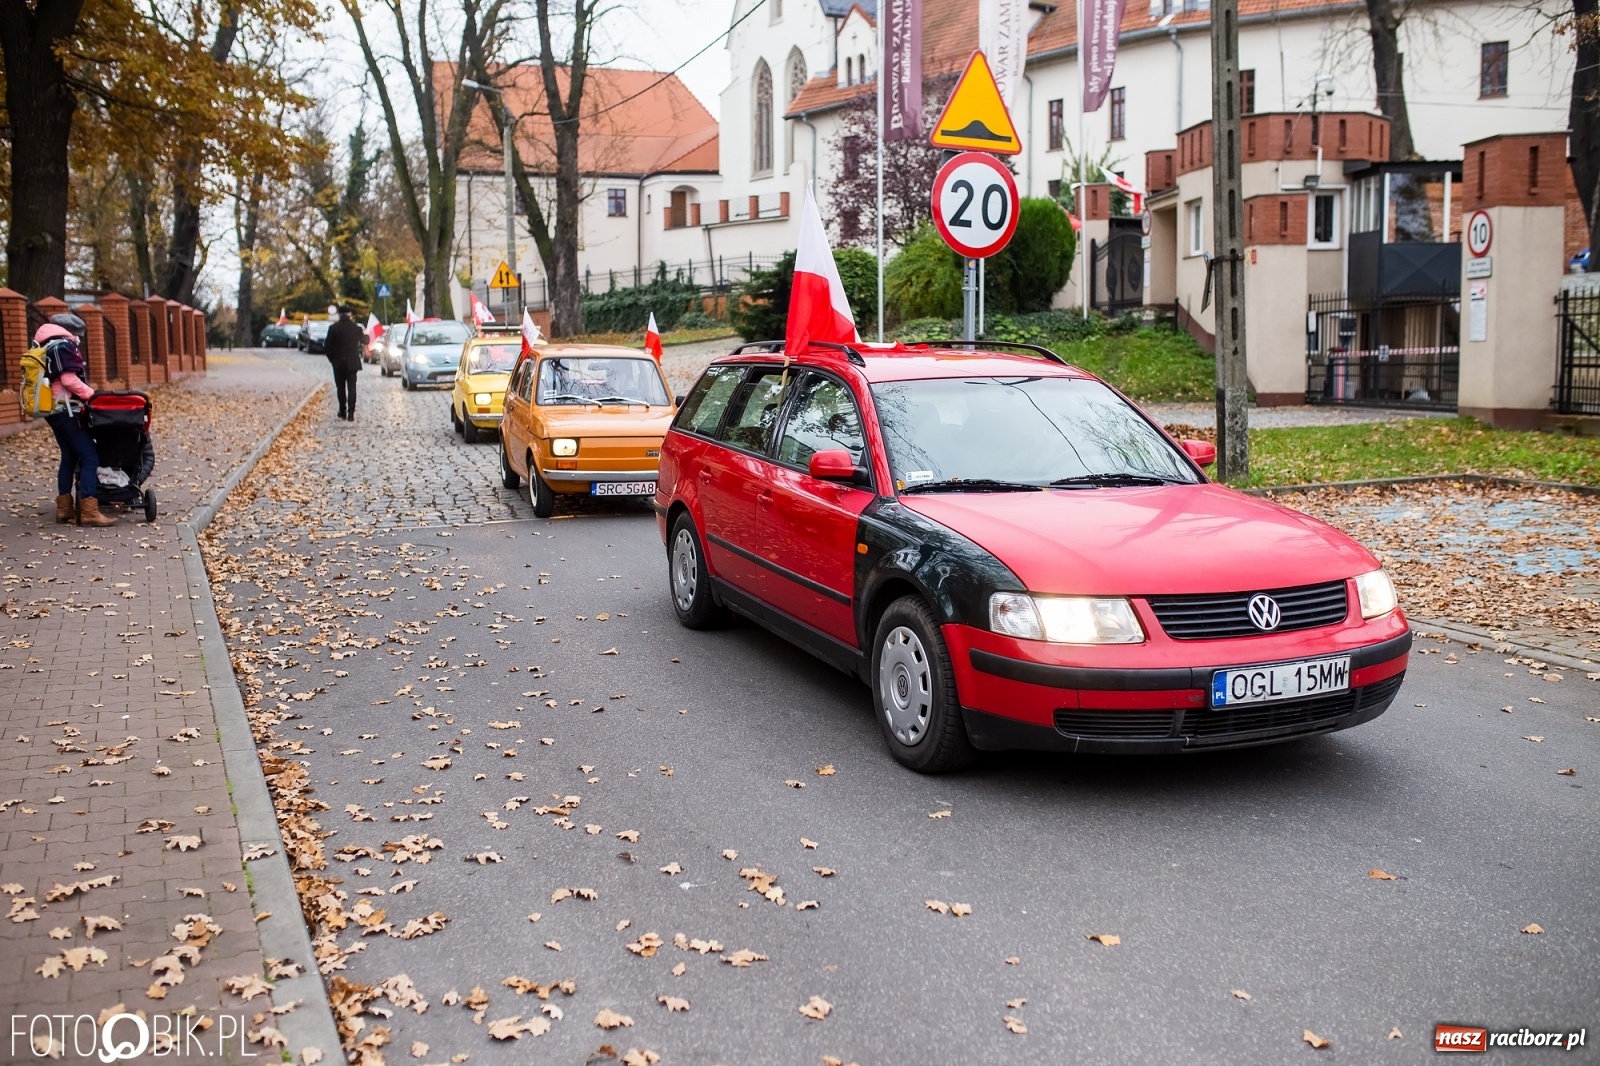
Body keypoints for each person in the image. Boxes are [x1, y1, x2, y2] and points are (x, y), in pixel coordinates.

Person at [38, 314, 116, 526]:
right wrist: (91, 394)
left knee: (69, 455)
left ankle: (64, 510)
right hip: (65, 410)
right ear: (71, 332)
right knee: (90, 456)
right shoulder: (64, 345)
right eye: (78, 336)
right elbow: (68, 379)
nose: (79, 340)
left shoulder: (46, 344)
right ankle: (89, 511)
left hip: (53, 409)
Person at [324, 305, 366, 421]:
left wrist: (333, 360)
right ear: (350, 314)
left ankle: (342, 411)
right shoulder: (356, 328)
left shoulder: (333, 328)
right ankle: (351, 413)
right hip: (352, 362)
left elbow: (327, 347)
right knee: (352, 387)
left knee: (340, 387)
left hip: (338, 363)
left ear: (339, 314)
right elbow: (365, 341)